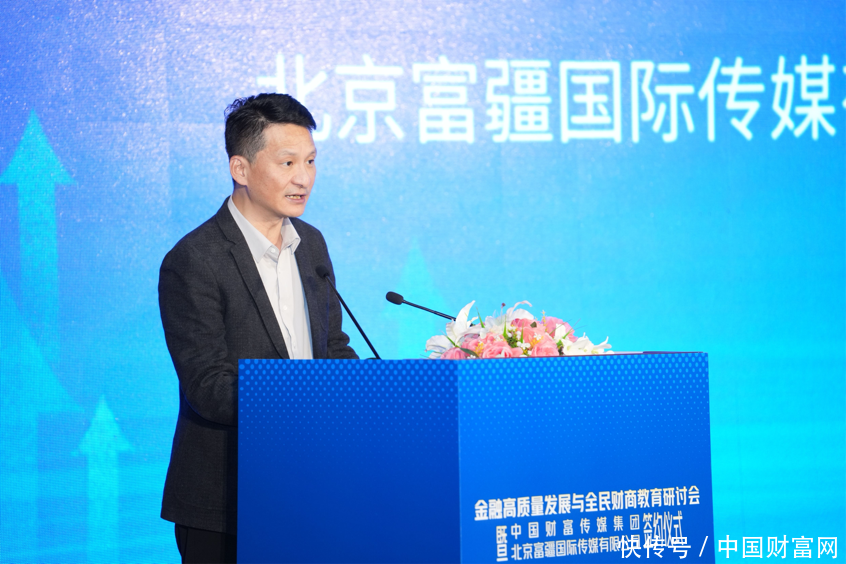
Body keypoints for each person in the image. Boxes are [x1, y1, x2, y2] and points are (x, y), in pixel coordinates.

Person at [158, 93, 358, 564]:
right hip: (228, 500)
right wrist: (309, 400)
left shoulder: (311, 244)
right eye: (287, 162)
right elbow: (208, 387)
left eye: (310, 161)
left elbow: (332, 346)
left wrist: (368, 390)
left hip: (311, 486)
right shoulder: (194, 259)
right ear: (241, 169)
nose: (303, 178)